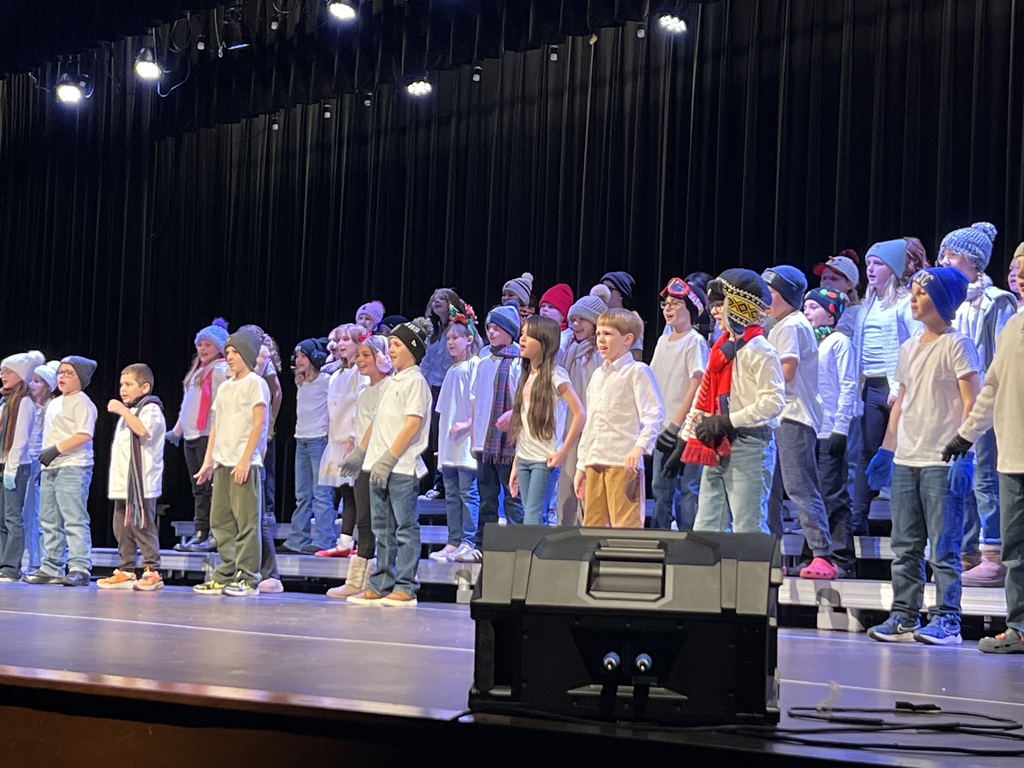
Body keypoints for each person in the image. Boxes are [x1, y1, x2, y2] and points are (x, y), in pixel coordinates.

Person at [865, 267, 977, 645]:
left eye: (921, 293)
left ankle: (947, 619)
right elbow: (901, 403)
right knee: (905, 546)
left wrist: (965, 451)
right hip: (906, 458)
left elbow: (970, 402)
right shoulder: (910, 346)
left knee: (943, 546)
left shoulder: (957, 344)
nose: (912, 298)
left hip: (940, 459)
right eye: (911, 291)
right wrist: (886, 448)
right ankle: (904, 615)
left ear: (941, 300)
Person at [943, 289, 1024, 652]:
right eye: (1018, 270)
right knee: (1016, 549)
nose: (1020, 278)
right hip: (1013, 455)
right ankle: (1019, 627)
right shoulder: (1012, 327)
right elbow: (990, 387)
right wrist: (966, 434)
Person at [937, 222, 1017, 587]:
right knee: (960, 479)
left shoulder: (996, 302)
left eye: (951, 255)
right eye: (943, 254)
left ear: (974, 263)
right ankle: (966, 551)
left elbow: (1000, 358)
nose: (944, 260)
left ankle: (993, 553)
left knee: (985, 477)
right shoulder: (949, 303)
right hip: (953, 400)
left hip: (985, 398)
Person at [685, 270, 785, 537]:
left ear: (741, 307)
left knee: (747, 525)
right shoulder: (721, 349)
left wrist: (729, 420)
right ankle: (707, 579)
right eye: (713, 305)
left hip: (750, 442)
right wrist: (686, 434)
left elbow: (773, 402)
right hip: (719, 439)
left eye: (721, 304)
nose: (715, 311)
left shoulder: (760, 349)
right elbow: (706, 394)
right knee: (707, 524)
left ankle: (750, 579)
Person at [345, 320, 433, 607]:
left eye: (397, 345)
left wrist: (389, 458)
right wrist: (361, 453)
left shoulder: (415, 381)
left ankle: (406, 586)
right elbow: (377, 421)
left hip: (401, 468)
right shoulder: (391, 381)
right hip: (376, 467)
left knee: (404, 528)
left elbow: (412, 424)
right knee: (381, 529)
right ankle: (380, 583)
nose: (391, 350)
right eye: (391, 345)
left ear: (412, 349)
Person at [762, 266, 836, 578]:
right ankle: (771, 554)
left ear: (788, 297)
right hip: (778, 417)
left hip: (793, 416)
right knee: (771, 492)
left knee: (799, 486)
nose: (764, 299)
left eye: (771, 294)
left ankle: (822, 554)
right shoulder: (780, 326)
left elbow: (788, 371)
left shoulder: (790, 326)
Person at [850, 240, 922, 537]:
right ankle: (857, 522)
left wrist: (901, 386)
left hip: (898, 388)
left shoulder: (905, 303)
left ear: (892, 269)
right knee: (866, 453)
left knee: (899, 454)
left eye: (878, 263)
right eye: (868, 263)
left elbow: (916, 345)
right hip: (872, 387)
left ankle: (906, 526)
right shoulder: (867, 305)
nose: (871, 269)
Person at [192, 330, 270, 596]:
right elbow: (216, 426)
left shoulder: (255, 383)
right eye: (228, 353)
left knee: (246, 523)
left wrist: (246, 459)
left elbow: (259, 422)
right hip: (223, 464)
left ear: (247, 354)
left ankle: (248, 578)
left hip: (243, 463)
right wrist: (208, 462)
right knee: (221, 522)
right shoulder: (225, 387)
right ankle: (226, 573)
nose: (230, 357)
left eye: (235, 353)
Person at [574, 308, 663, 528]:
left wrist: (639, 447)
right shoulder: (597, 375)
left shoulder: (637, 371)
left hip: (623, 463)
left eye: (608, 334)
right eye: (599, 333)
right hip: (595, 461)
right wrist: (581, 465)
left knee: (626, 527)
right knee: (592, 526)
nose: (601, 339)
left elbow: (655, 414)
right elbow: (591, 423)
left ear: (628, 339)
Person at [454, 303, 524, 563]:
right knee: (487, 498)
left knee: (514, 498)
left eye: (498, 328)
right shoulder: (483, 362)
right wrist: (475, 437)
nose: (492, 333)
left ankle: (518, 547)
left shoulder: (518, 362)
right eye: (490, 328)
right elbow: (476, 401)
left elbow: (521, 402)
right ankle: (484, 546)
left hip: (508, 444)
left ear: (510, 332)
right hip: (485, 442)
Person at [325, 335, 391, 599]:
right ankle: (356, 581)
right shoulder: (364, 390)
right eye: (359, 355)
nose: (360, 360)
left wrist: (363, 450)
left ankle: (380, 580)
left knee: (380, 522)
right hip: (363, 460)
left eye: (367, 355)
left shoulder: (388, 387)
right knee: (363, 520)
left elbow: (379, 424)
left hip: (380, 460)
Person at [25, 356, 98, 587]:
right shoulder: (55, 403)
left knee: (73, 518)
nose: (63, 377)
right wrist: (45, 460)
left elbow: (85, 434)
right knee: (48, 518)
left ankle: (80, 566)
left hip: (74, 465)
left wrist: (56, 450)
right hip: (51, 466)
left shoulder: (82, 402)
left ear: (81, 378)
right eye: (61, 373)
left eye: (69, 373)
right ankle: (52, 566)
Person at [510, 315, 586, 525]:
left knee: (533, 517)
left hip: (544, 459)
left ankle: (531, 558)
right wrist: (516, 463)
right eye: (522, 334)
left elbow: (580, 413)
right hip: (525, 456)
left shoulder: (556, 375)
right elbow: (524, 423)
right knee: (532, 515)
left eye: (529, 335)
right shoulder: (527, 375)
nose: (522, 340)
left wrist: (563, 452)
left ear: (544, 341)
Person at [97, 364, 166, 591]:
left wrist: (123, 411)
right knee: (122, 526)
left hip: (141, 483)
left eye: (128, 384)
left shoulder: (151, 409)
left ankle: (152, 570)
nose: (122, 389)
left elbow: (143, 431)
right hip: (124, 483)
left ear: (145, 387)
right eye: (121, 384)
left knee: (142, 526)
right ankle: (126, 569)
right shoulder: (132, 410)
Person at [803, 288, 858, 577]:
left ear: (831, 312)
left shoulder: (839, 342)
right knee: (810, 495)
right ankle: (814, 554)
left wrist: (840, 428)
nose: (807, 312)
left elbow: (848, 385)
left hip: (829, 431)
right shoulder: (807, 343)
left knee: (832, 494)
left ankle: (842, 558)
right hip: (808, 429)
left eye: (813, 307)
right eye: (806, 307)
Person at [651, 277, 709, 532]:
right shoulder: (664, 341)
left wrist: (677, 424)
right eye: (666, 303)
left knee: (688, 488)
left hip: (686, 428)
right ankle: (660, 537)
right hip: (663, 426)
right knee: (660, 486)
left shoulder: (694, 341)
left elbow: (697, 384)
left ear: (691, 309)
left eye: (676, 303)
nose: (668, 308)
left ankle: (689, 540)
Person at [169, 319, 230, 552]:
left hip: (208, 434)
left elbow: (222, 403)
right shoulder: (197, 371)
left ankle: (215, 533)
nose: (202, 349)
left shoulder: (220, 369)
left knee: (211, 487)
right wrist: (177, 431)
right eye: (200, 344)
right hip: (192, 436)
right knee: (198, 488)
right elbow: (188, 405)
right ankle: (200, 531)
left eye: (208, 345)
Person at [554, 285, 610, 527]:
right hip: (571, 426)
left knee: (587, 483)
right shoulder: (572, 349)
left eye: (581, 320)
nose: (575, 325)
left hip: (589, 427)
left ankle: (589, 533)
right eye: (573, 320)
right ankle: (566, 535)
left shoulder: (597, 355)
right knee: (566, 483)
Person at [430, 307, 482, 562]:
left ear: (469, 340)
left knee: (467, 492)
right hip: (450, 444)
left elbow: (477, 403)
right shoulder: (452, 371)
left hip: (466, 442)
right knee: (452, 494)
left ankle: (468, 540)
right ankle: (453, 540)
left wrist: (467, 425)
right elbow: (444, 412)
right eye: (448, 338)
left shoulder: (474, 366)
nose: (450, 342)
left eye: (456, 338)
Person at [317, 324, 368, 557]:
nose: (340, 344)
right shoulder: (336, 374)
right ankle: (345, 541)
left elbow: (362, 405)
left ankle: (364, 543)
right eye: (338, 340)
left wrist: (353, 436)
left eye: (346, 339)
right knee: (345, 493)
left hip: (354, 440)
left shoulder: (361, 373)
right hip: (337, 439)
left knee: (358, 492)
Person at [282, 337, 336, 555]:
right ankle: (298, 538)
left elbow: (335, 404)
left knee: (321, 492)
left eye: (303, 355)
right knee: (302, 494)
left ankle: (324, 539)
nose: (299, 360)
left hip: (319, 441)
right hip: (301, 440)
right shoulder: (300, 381)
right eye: (297, 356)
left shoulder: (326, 380)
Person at [419, 288, 468, 501]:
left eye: (443, 299)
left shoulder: (458, 328)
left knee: (445, 437)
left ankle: (443, 484)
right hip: (432, 387)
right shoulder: (433, 332)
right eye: (435, 298)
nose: (438, 301)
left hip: (450, 386)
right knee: (431, 438)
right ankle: (434, 482)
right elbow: (426, 361)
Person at [0, 351, 44, 583]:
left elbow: (19, 440)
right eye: (2, 371)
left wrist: (10, 470)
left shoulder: (24, 402)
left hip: (15, 467)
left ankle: (11, 567)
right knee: (1, 519)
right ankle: (2, 564)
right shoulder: (6, 401)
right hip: (3, 464)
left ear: (20, 375)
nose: (2, 375)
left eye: (7, 371)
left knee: (12, 518)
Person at [23, 360, 59, 573]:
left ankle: (47, 560)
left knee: (43, 514)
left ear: (48, 386)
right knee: (27, 514)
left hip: (45, 461)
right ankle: (31, 558)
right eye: (32, 380)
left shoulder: (51, 408)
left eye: (37, 381)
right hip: (25, 461)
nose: (32, 385)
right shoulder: (26, 405)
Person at [813, 251, 861, 337]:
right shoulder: (812, 308)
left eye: (834, 279)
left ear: (849, 284)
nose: (827, 282)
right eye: (824, 278)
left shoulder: (857, 313)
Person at [601, 270, 644, 359]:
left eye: (609, 289)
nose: (604, 293)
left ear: (621, 294)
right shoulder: (602, 316)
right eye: (603, 288)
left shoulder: (632, 318)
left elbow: (636, 354)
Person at [537, 283, 575, 361]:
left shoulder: (568, 338)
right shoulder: (535, 332)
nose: (545, 309)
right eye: (543, 306)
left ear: (563, 315)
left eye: (551, 307)